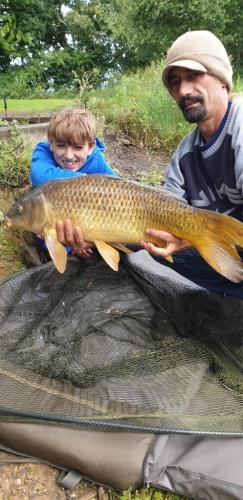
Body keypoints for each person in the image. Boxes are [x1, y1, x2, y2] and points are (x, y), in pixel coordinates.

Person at [141, 30, 243, 298]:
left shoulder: (241, 126)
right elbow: (158, 217)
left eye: (194, 75)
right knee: (158, 249)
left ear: (221, 78)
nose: (183, 90)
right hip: (226, 242)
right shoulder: (184, 154)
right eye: (175, 82)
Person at [27, 107, 116, 262]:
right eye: (61, 146)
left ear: (90, 147)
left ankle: (83, 248)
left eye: (78, 147)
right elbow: (39, 175)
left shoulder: (96, 159)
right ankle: (57, 253)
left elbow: (117, 188)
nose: (68, 155)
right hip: (51, 222)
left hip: (86, 222)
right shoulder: (43, 151)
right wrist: (84, 181)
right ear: (51, 144)